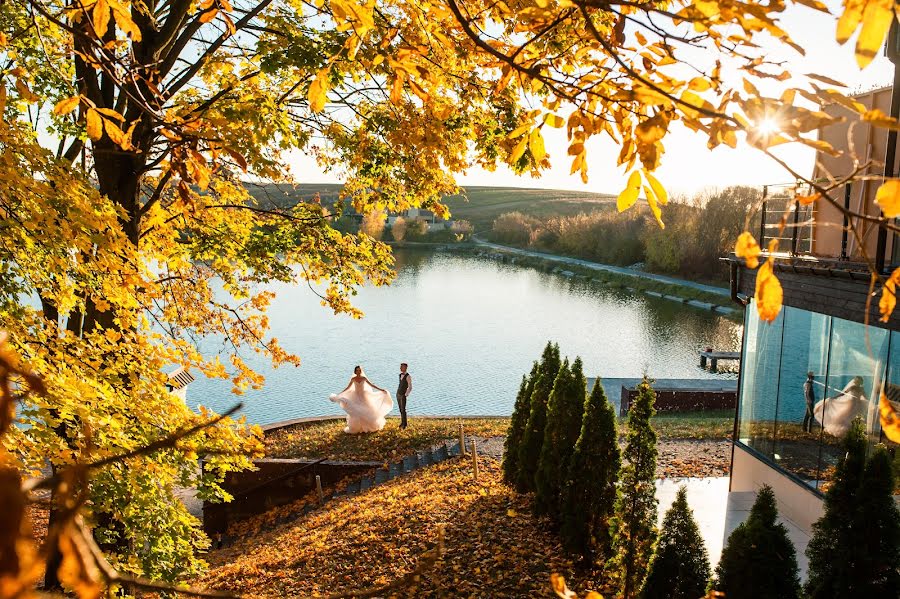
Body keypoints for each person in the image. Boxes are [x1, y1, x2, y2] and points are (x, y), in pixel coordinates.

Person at [329, 366, 392, 433]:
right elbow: (348, 387)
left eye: (359, 370)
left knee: (367, 411)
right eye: (357, 370)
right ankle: (358, 428)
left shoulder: (364, 378)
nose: (358, 372)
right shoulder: (353, 379)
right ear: (355, 371)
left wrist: (381, 389)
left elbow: (371, 385)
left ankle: (368, 427)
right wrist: (340, 393)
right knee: (357, 412)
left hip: (364, 396)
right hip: (356, 396)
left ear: (361, 371)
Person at [397, 362, 412, 429]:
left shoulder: (408, 376)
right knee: (400, 409)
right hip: (398, 394)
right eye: (400, 367)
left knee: (403, 410)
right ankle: (402, 423)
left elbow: (410, 387)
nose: (400, 368)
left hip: (403, 395)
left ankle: (404, 424)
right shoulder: (400, 375)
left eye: (402, 367)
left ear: (405, 368)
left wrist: (406, 394)